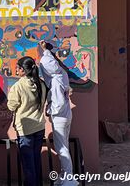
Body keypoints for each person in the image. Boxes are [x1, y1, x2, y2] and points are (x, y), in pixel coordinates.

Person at [39, 40, 78, 186]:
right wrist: (46, 50)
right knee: (64, 146)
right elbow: (51, 62)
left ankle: (69, 179)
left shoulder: (55, 82)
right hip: (66, 115)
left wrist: (50, 111)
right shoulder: (62, 75)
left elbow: (59, 103)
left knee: (62, 148)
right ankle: (64, 176)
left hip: (60, 117)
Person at [7, 56, 47, 186]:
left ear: (23, 70)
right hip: (39, 127)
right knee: (36, 160)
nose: (16, 70)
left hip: (25, 129)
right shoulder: (41, 83)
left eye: (18, 68)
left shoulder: (18, 86)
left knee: (28, 164)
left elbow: (11, 106)